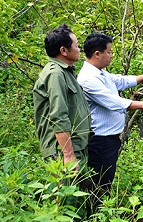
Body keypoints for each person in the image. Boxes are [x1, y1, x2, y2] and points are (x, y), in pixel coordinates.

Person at [77, 32, 143, 200]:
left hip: (109, 140)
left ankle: (100, 211)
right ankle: (96, 214)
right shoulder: (88, 78)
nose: (111, 55)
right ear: (97, 54)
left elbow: (120, 81)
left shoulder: (100, 73)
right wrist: (141, 105)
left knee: (105, 181)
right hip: (100, 141)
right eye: (109, 52)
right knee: (99, 184)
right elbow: (112, 101)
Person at [33, 24, 91, 177]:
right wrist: (68, 155)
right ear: (63, 51)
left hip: (75, 147)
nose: (79, 50)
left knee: (76, 197)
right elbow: (58, 116)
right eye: (76, 46)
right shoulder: (55, 74)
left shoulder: (66, 72)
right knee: (65, 199)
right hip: (62, 152)